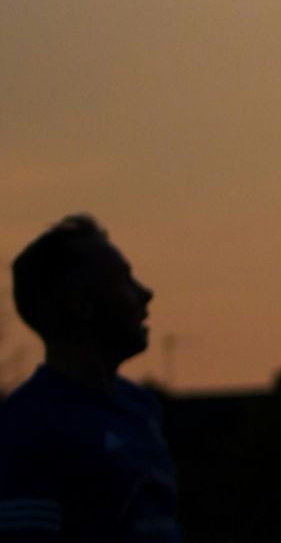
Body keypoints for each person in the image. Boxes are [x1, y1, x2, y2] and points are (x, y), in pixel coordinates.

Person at [0, 215, 179, 541]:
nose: (146, 294)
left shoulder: (143, 409)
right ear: (81, 306)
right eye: (125, 281)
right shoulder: (26, 428)